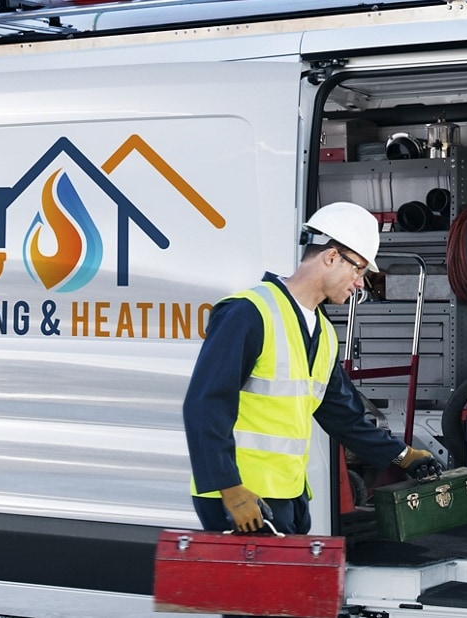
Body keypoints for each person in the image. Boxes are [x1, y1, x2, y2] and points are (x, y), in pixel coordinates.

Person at [183, 201, 441, 534]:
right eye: (358, 269)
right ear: (331, 257)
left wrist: (402, 455)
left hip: (286, 495)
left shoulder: (322, 333)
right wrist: (228, 487)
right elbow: (205, 404)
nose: (360, 283)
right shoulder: (249, 313)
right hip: (242, 499)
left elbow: (344, 416)